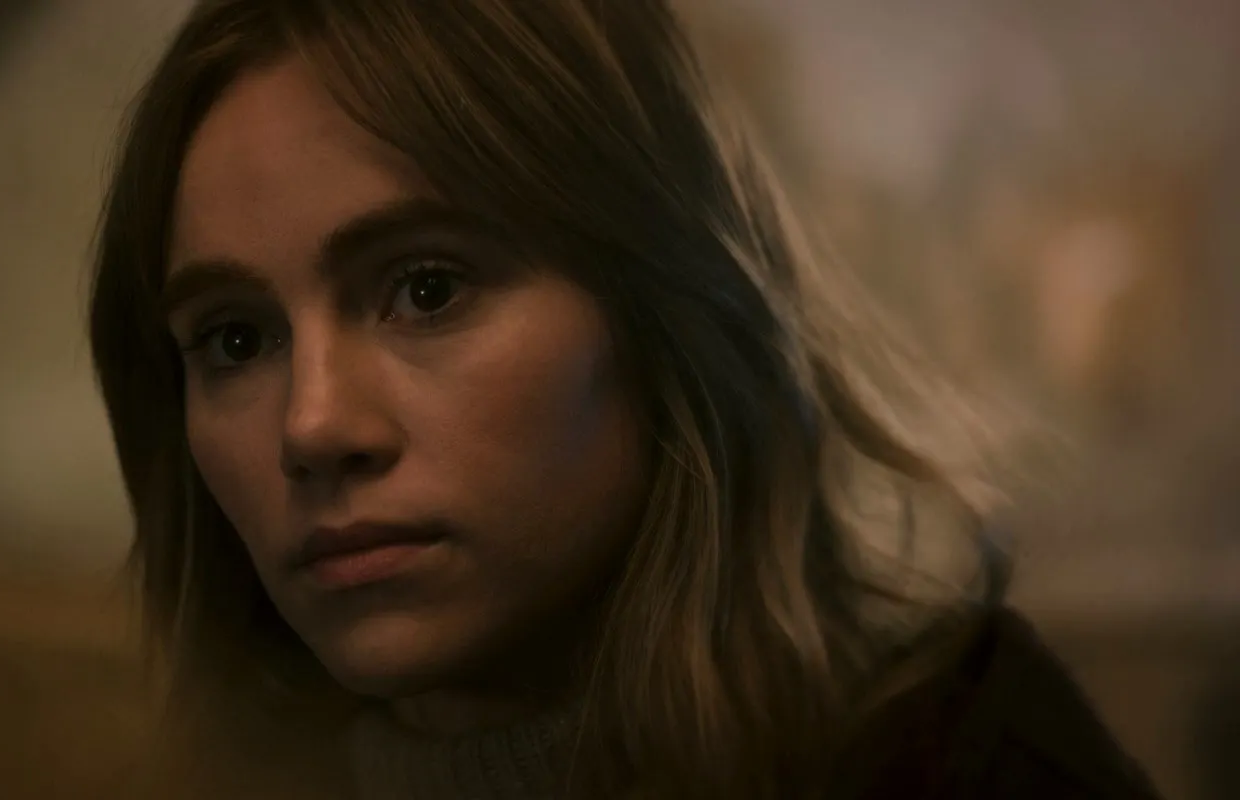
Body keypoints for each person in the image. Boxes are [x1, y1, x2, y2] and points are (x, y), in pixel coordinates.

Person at [85, 1, 1158, 797]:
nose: (313, 425)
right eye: (235, 340)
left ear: (659, 304)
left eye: (428, 288)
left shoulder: (966, 761)